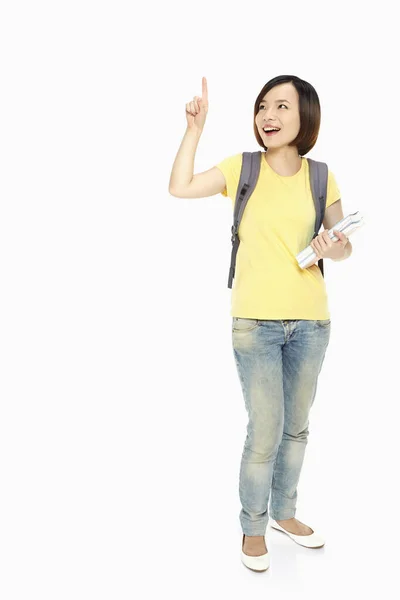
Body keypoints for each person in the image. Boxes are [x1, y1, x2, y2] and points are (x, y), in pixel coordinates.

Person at [169, 75, 352, 572]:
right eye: (262, 106)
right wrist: (195, 129)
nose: (267, 116)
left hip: (312, 321)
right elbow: (179, 187)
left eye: (281, 106)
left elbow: (344, 242)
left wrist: (333, 245)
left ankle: (285, 514)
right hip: (254, 323)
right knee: (266, 429)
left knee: (297, 429)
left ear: (304, 117)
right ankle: (254, 524)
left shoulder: (321, 176)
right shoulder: (242, 168)